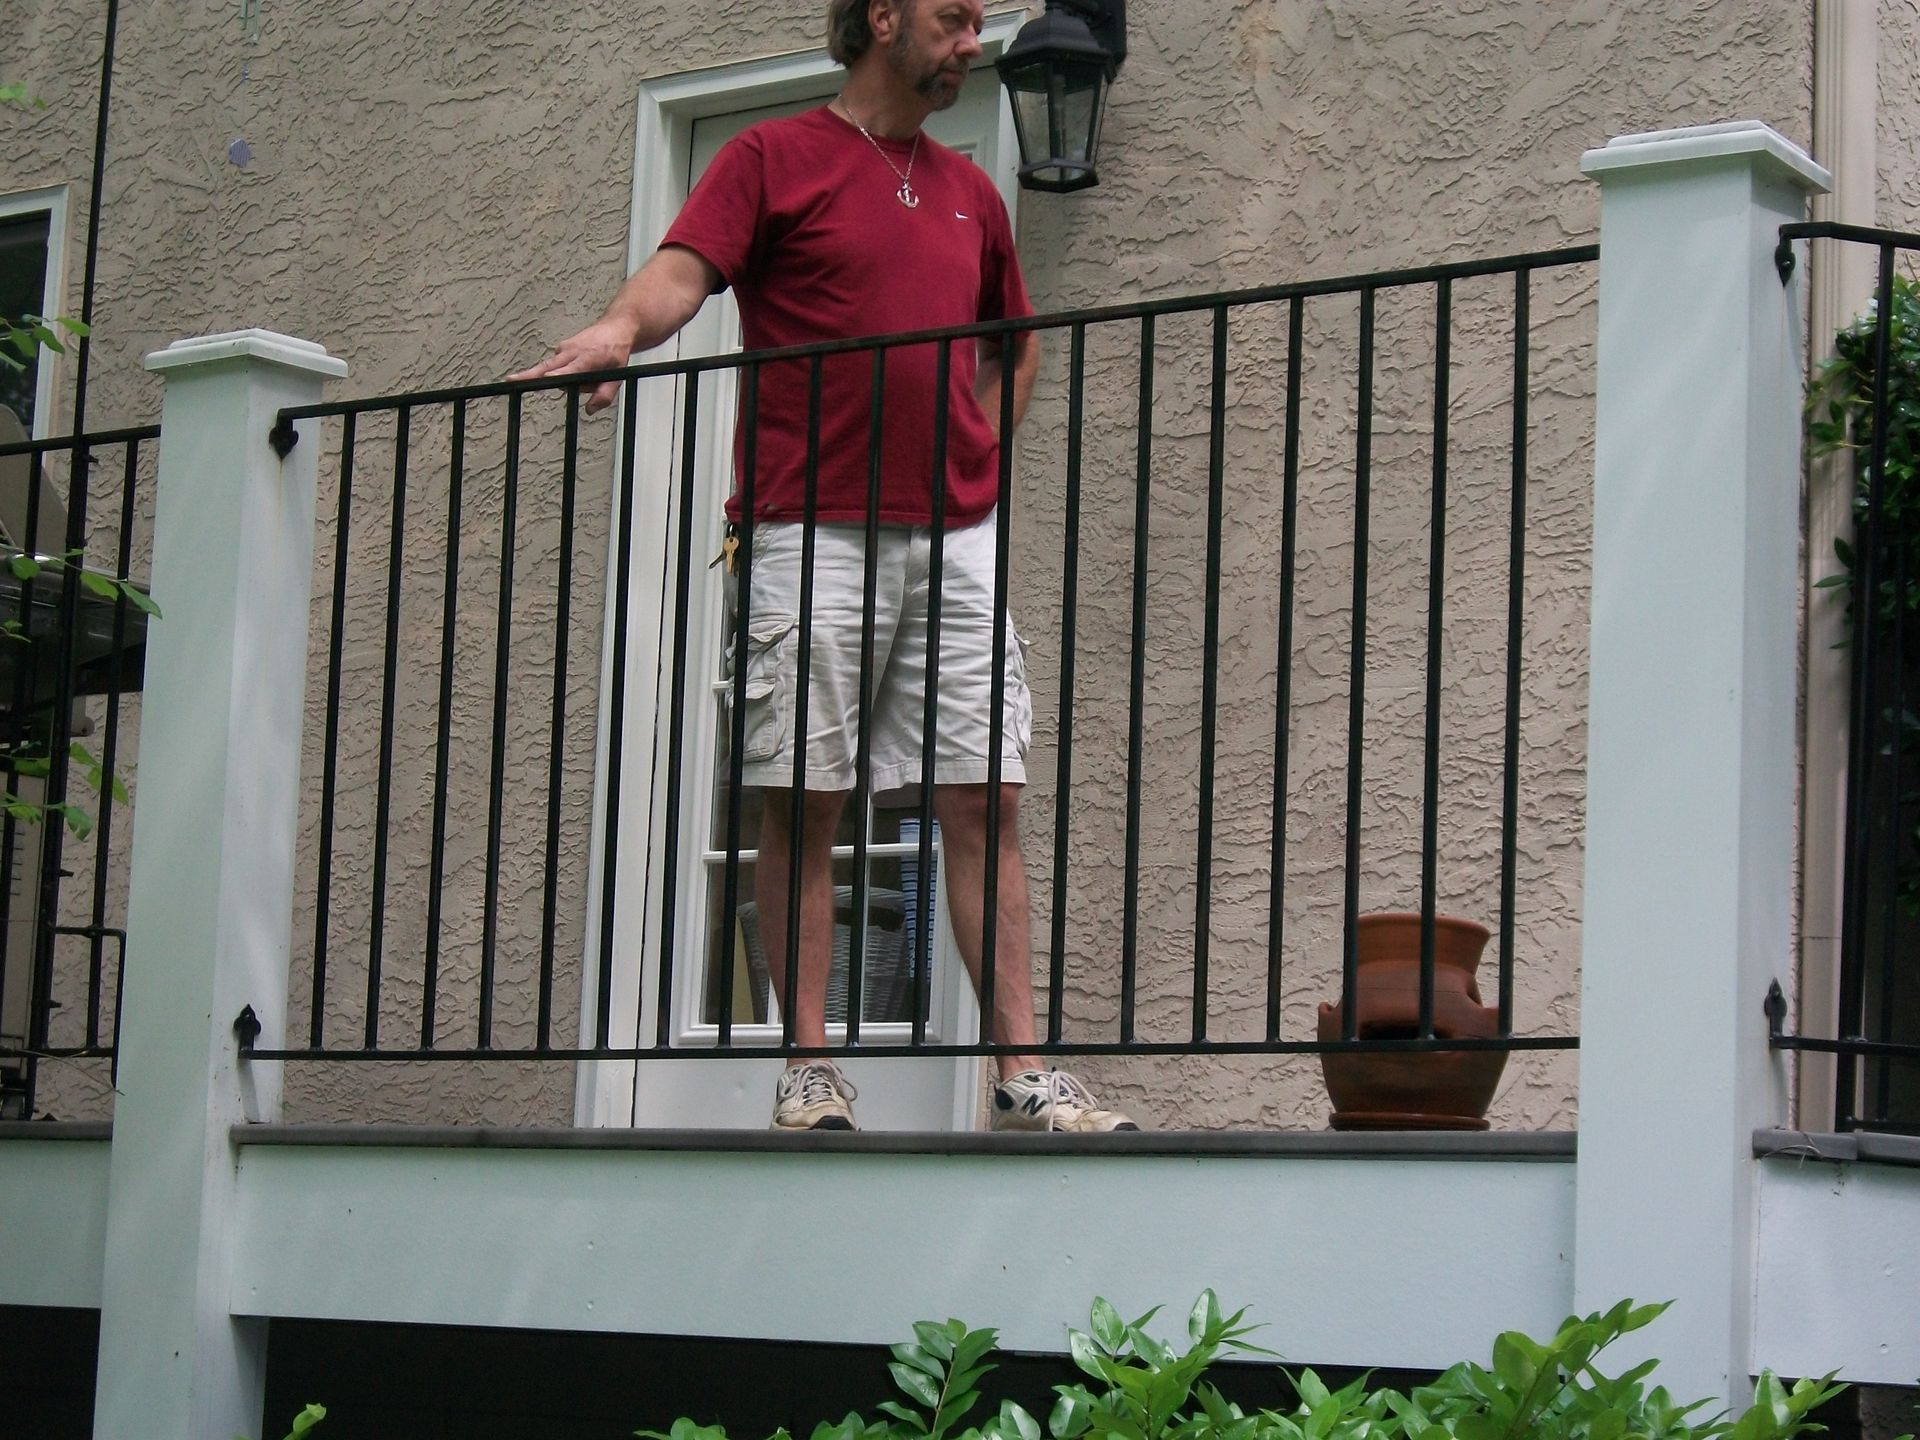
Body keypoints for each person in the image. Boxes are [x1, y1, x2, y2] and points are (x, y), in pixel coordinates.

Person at [512, 0, 1136, 1134]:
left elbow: (1016, 344)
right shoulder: (771, 157)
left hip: (956, 537)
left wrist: (977, 456)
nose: (973, 42)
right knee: (803, 795)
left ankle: (1024, 1072)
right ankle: (808, 1068)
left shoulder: (972, 191)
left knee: (985, 795)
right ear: (883, 17)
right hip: (810, 527)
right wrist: (617, 332)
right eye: (953, 18)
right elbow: (681, 274)